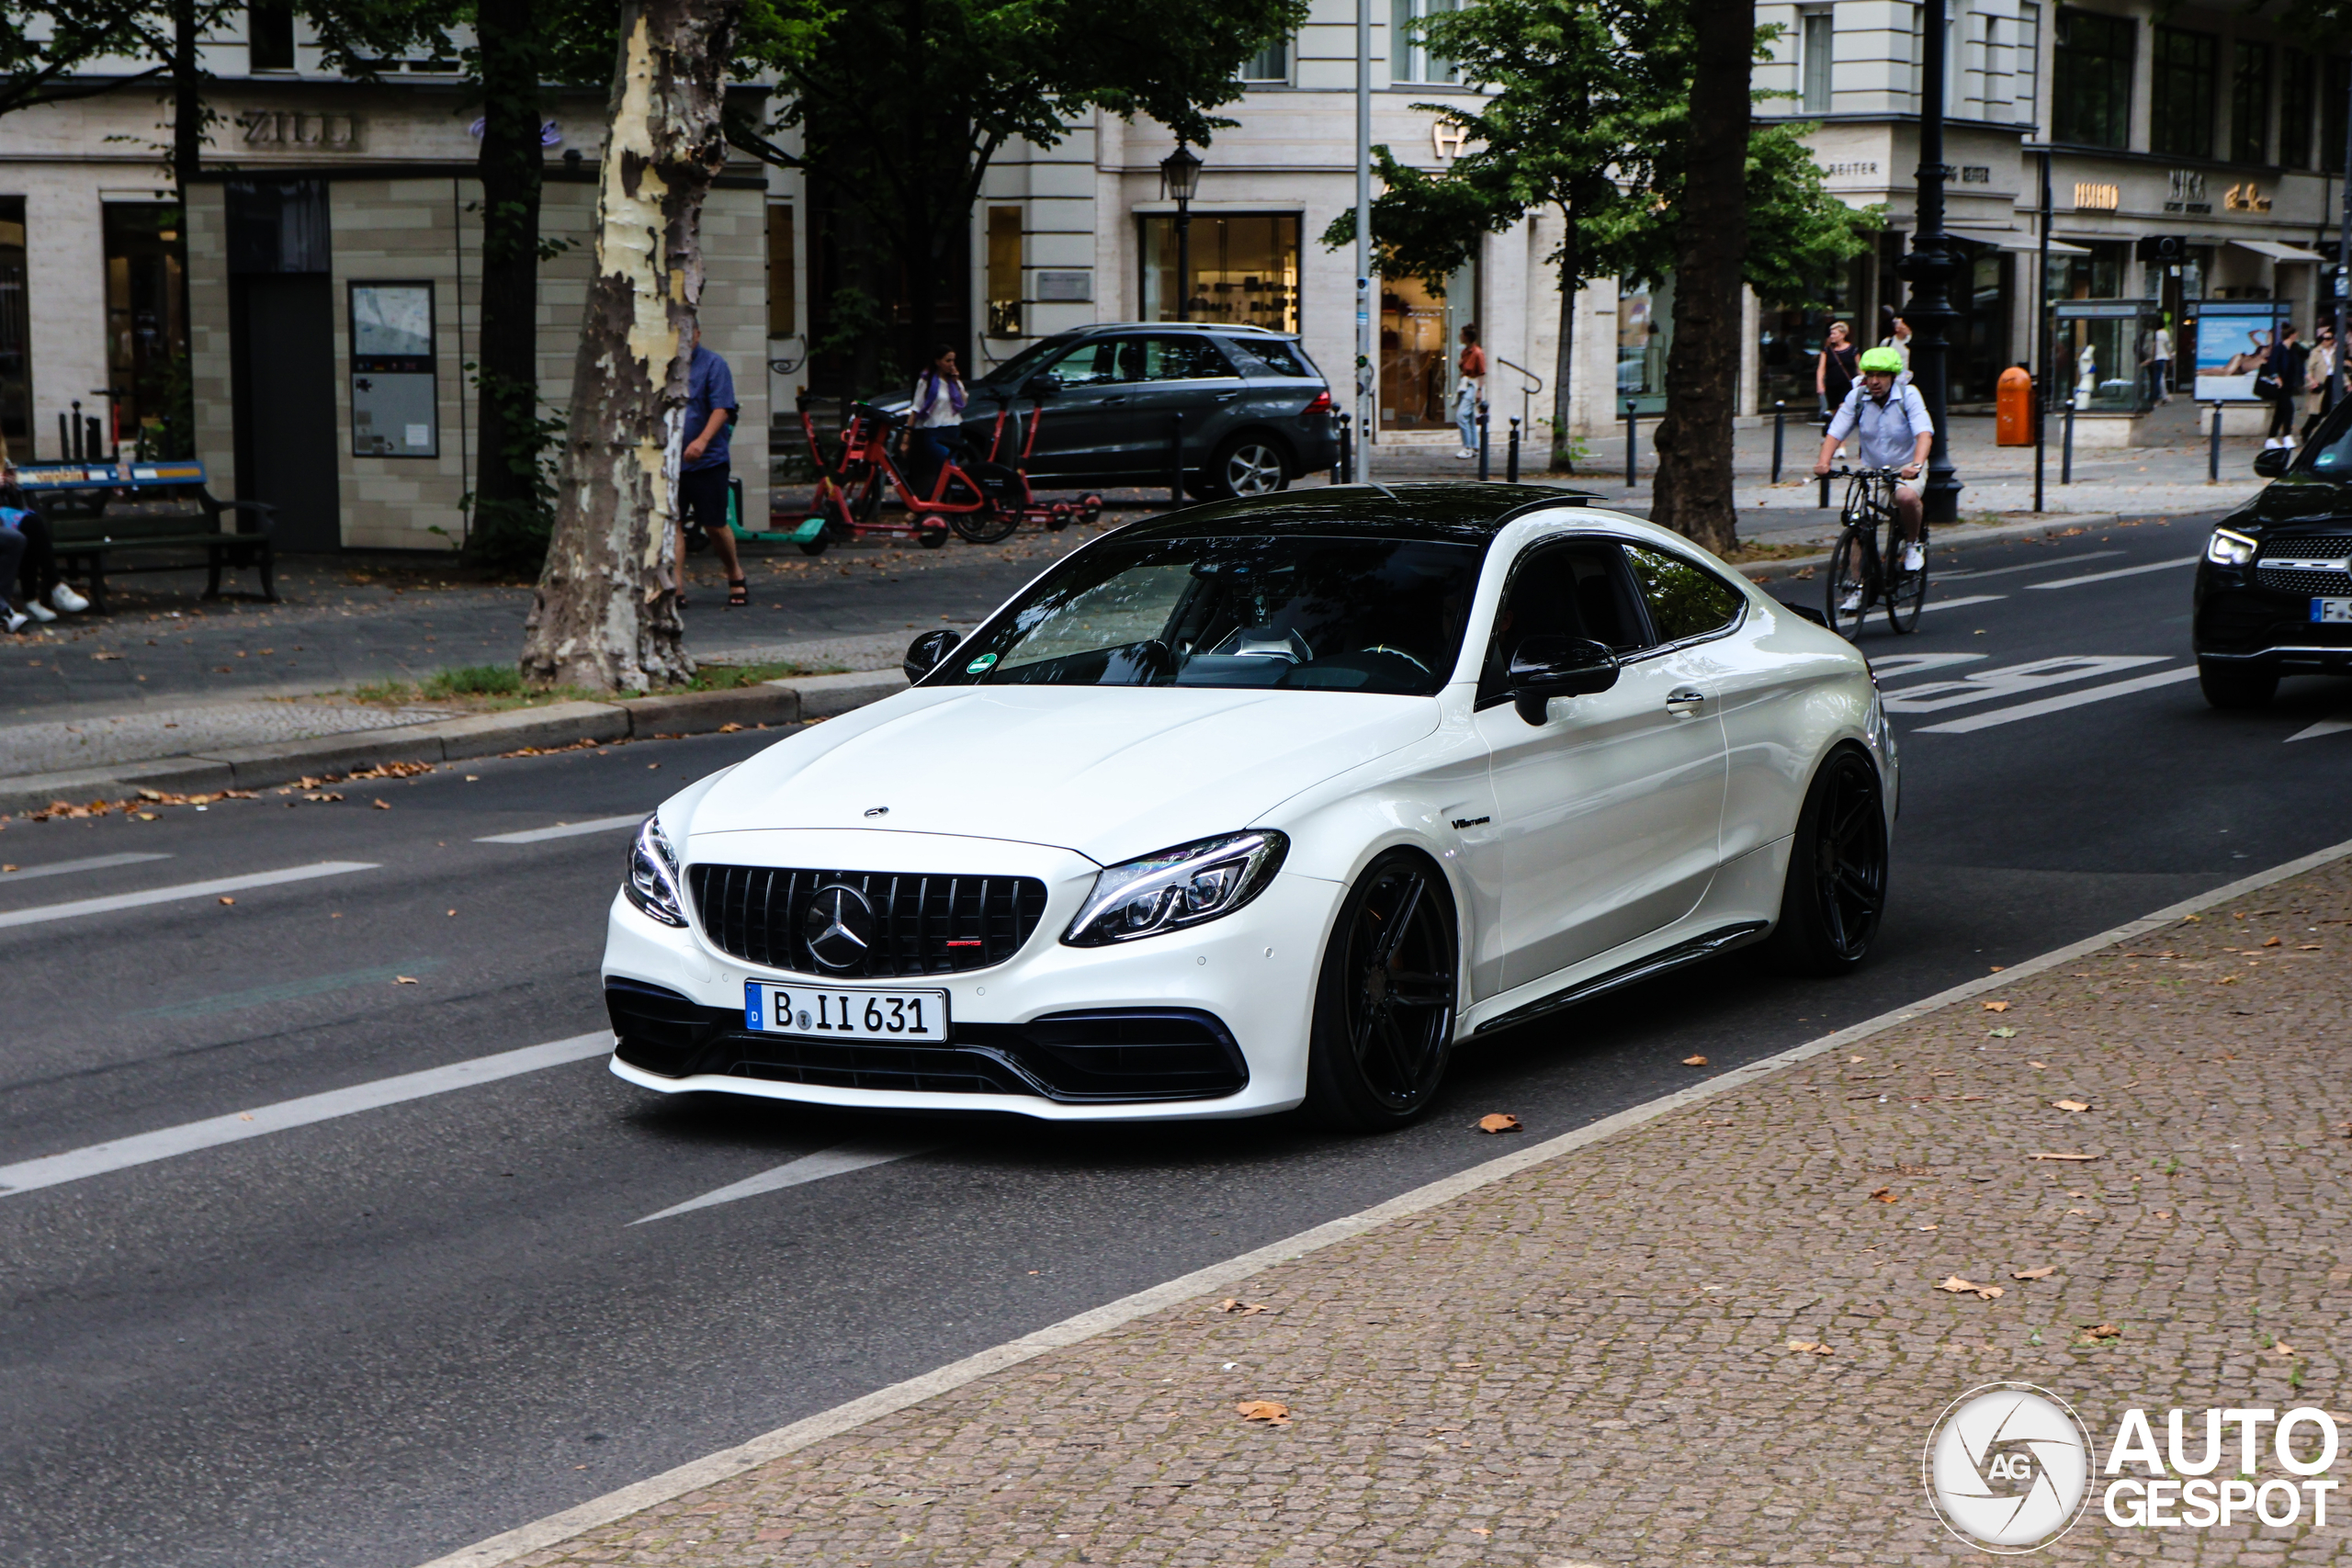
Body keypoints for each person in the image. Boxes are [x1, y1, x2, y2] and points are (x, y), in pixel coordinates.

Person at [1813, 345, 1934, 611]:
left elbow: (1924, 434)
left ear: (1892, 376)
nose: (1875, 381)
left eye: (1881, 375)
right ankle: (1856, 588)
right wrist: (1823, 462)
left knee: (1905, 496)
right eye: (1870, 375)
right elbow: (1835, 432)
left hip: (1907, 466)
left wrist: (1916, 464)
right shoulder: (1857, 397)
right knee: (1859, 526)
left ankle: (1914, 543)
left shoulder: (1908, 395)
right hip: (1874, 469)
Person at [677, 326, 746, 606]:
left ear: (698, 333)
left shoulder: (713, 364)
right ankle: (676, 588)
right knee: (673, 524)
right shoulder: (664, 366)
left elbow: (722, 408)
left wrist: (702, 441)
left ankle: (734, 573)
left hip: (708, 461)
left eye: (688, 332)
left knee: (714, 525)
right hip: (672, 463)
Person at [907, 344, 967, 495]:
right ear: (938, 362)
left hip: (953, 429)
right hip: (935, 432)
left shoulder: (953, 382)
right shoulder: (926, 382)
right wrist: (906, 435)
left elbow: (963, 403)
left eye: (953, 360)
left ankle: (944, 506)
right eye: (948, 361)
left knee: (946, 474)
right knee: (950, 469)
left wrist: (956, 382)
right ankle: (924, 503)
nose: (951, 364)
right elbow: (916, 408)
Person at [2259, 323, 2306, 448]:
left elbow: (2302, 359)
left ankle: (2271, 438)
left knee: (2280, 412)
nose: (2297, 336)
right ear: (2291, 335)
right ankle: (2287, 436)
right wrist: (2276, 376)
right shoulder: (2279, 349)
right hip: (2280, 385)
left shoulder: (2293, 350)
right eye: (2295, 334)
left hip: (2289, 384)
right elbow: (2272, 364)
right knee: (2289, 409)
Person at [1453, 324, 1487, 459]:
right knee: (1470, 418)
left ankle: (1467, 447)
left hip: (1472, 385)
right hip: (1465, 385)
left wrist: (1479, 391)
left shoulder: (1477, 353)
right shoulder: (1465, 352)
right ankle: (1475, 447)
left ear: (1467, 337)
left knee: (1461, 416)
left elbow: (1482, 373)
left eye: (1462, 334)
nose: (1460, 336)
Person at [1815, 321, 1859, 417]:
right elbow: (1821, 368)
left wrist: (1862, 382)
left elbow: (1859, 367)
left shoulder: (1853, 350)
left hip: (1847, 384)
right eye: (1831, 333)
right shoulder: (1827, 350)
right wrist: (1820, 384)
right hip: (1832, 385)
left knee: (1843, 407)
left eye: (1834, 333)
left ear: (1843, 335)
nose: (1832, 336)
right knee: (1833, 410)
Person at [2303, 323, 2335, 440]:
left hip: (2332, 381)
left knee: (2330, 410)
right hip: (2321, 382)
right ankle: (2306, 431)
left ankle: (2328, 436)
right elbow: (2309, 368)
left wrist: (2348, 383)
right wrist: (2312, 381)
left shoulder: (2335, 352)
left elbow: (2340, 369)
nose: (2325, 341)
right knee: (2317, 411)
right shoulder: (2316, 352)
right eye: (2323, 338)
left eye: (2328, 338)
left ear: (2332, 340)